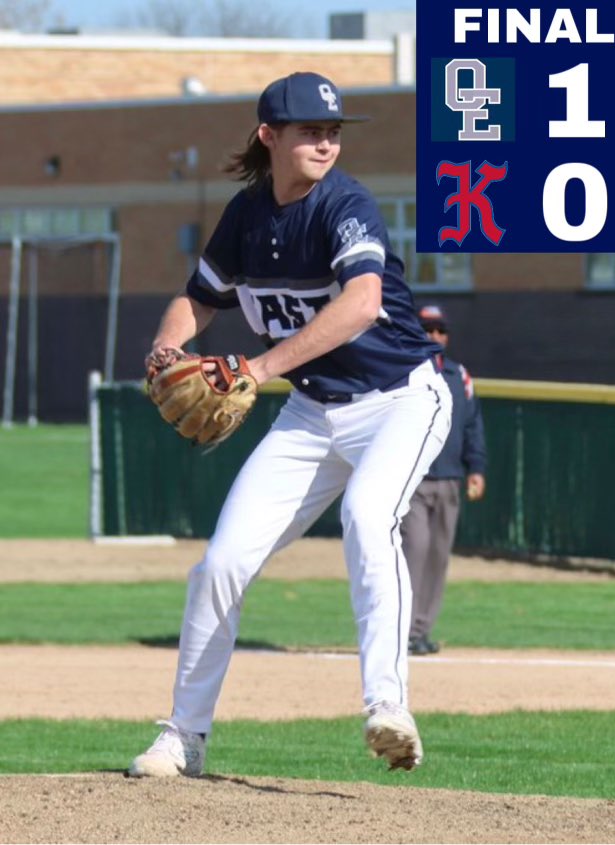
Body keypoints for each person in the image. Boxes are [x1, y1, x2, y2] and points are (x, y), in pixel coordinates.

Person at [128, 71, 452, 778]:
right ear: (268, 137)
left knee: (370, 516)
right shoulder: (245, 216)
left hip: (400, 400)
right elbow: (197, 300)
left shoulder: (346, 204)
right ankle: (182, 735)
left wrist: (260, 365)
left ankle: (389, 706)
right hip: (313, 415)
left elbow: (363, 303)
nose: (326, 142)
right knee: (220, 564)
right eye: (310, 130)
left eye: (333, 131)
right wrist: (164, 349)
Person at [401, 305, 486, 655]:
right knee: (413, 551)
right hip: (414, 481)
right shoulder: (403, 372)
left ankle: (420, 632)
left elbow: (471, 426)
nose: (434, 335)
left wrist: (476, 468)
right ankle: (400, 632)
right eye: (426, 328)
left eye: (440, 330)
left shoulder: (458, 375)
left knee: (437, 556)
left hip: (450, 478)